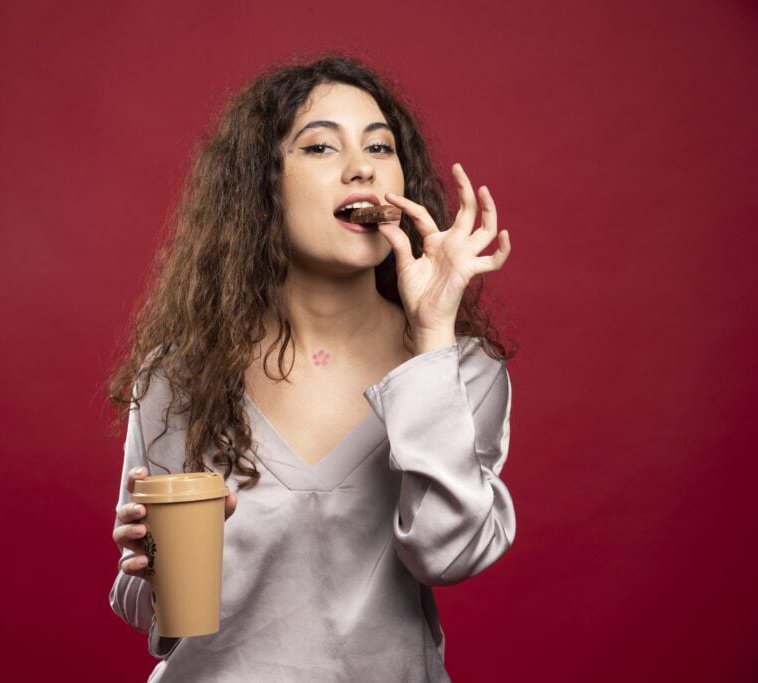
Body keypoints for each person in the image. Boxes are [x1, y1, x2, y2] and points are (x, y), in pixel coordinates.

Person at [107, 55, 516, 682]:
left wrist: (432, 335)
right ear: (263, 184)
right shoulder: (180, 374)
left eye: (380, 147)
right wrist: (152, 566)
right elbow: (160, 622)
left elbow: (449, 554)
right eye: (321, 147)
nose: (362, 167)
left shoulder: (459, 370)